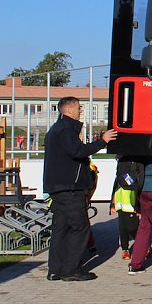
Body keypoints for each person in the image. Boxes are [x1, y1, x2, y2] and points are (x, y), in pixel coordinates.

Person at [43, 97, 117, 281]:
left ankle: (55, 269)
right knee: (80, 227)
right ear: (68, 110)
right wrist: (103, 141)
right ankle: (71, 269)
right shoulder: (66, 130)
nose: (81, 111)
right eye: (78, 107)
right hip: (69, 187)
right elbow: (78, 151)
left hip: (58, 187)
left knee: (61, 228)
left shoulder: (56, 129)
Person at [110, 157, 144, 260]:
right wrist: (113, 203)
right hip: (120, 196)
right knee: (122, 225)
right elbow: (118, 181)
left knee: (133, 226)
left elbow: (138, 180)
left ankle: (142, 246)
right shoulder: (122, 162)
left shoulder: (136, 160)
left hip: (131, 197)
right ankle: (125, 249)